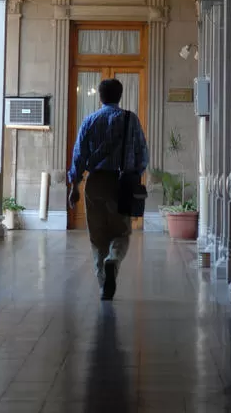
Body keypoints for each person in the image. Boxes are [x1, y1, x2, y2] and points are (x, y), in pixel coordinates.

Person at [68, 77, 149, 300]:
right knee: (121, 232)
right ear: (120, 96)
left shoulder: (90, 121)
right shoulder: (130, 120)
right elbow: (143, 154)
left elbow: (78, 156)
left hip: (94, 183)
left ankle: (104, 283)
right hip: (121, 182)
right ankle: (113, 259)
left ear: (100, 97)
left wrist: (74, 185)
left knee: (97, 236)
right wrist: (135, 174)